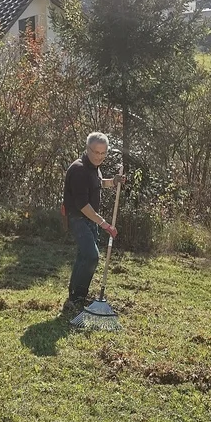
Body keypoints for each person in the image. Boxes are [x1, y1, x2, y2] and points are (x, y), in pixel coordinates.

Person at [61, 132, 126, 312]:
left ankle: (77, 296)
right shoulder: (79, 169)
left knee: (85, 256)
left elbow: (98, 183)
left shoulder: (93, 167)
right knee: (91, 255)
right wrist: (105, 224)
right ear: (87, 148)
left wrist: (113, 181)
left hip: (90, 220)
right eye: (96, 152)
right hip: (78, 219)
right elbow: (82, 205)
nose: (99, 157)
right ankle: (75, 297)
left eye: (103, 153)